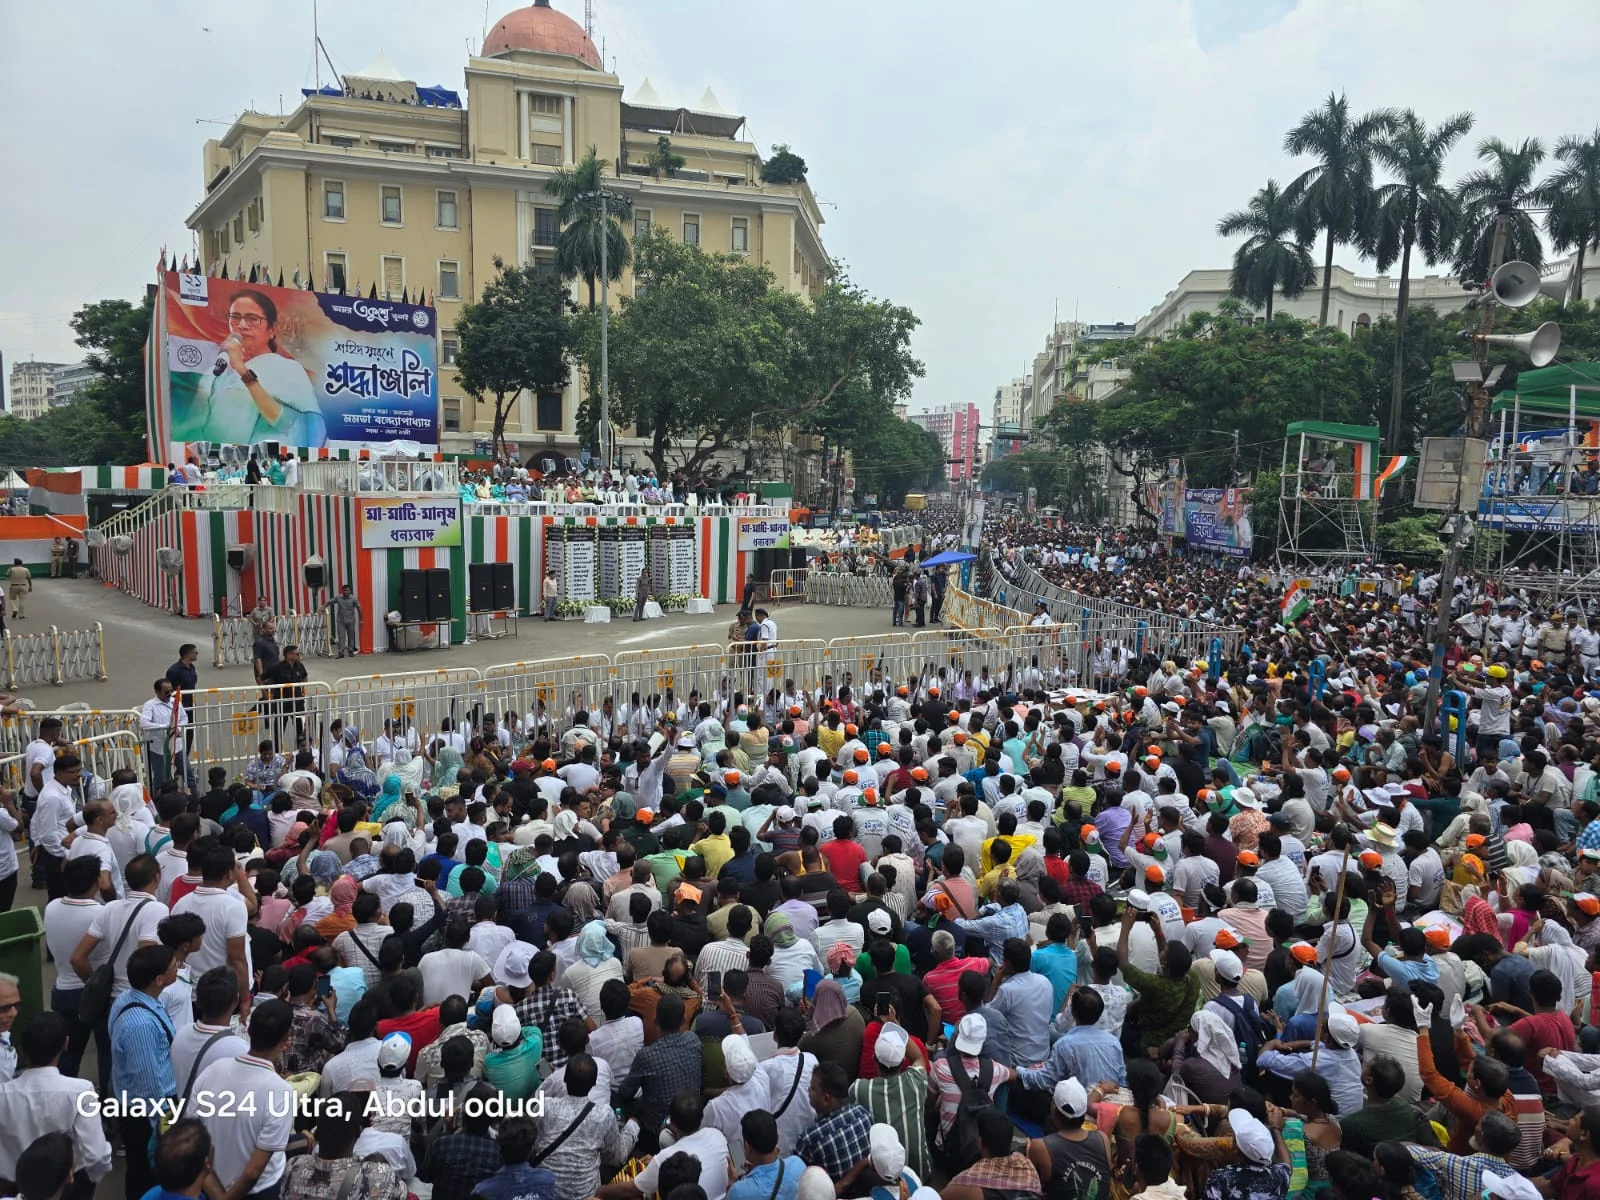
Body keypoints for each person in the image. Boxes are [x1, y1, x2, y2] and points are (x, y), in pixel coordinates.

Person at [192, 288, 324, 445]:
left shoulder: (287, 368)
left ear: (272, 330)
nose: (241, 325)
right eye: (235, 317)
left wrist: (243, 372)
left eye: (252, 318)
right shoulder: (217, 370)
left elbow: (289, 425)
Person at [0, 1010, 113, 1191]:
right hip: (65, 1187)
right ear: (65, 1044)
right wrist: (89, 1180)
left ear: (22, 1048)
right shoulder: (82, 1092)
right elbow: (96, 1154)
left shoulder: (3, 1094)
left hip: (13, 1187)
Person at [328, 584, 362, 658]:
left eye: (348, 590)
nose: (346, 592)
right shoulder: (338, 597)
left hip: (351, 620)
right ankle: (341, 653)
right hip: (341, 621)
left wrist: (361, 619)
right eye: (345, 590)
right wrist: (323, 607)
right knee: (341, 637)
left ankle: (350, 651)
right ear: (342, 591)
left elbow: (359, 608)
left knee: (351, 636)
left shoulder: (354, 598)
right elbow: (329, 602)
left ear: (350, 591)